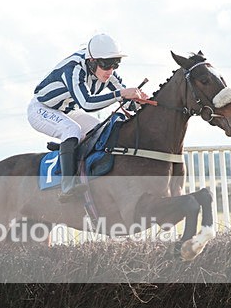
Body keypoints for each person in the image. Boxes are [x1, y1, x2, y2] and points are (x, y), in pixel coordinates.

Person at [28, 33, 148, 201]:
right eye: (106, 64)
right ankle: (67, 185)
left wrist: (140, 102)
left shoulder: (108, 74)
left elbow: (126, 100)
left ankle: (73, 154)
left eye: (116, 64)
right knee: (72, 129)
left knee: (100, 129)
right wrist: (121, 94)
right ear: (92, 61)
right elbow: (87, 103)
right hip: (41, 109)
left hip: (68, 110)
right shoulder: (73, 69)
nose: (111, 70)